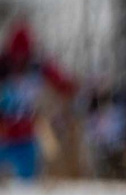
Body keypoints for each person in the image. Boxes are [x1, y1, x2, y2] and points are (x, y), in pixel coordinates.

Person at [0, 21, 76, 182]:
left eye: (23, 56)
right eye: (16, 56)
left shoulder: (38, 69)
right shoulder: (3, 67)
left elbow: (65, 85)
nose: (19, 61)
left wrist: (67, 88)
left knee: (27, 180)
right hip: (3, 133)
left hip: (26, 135)